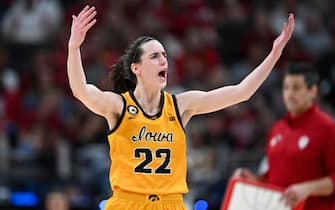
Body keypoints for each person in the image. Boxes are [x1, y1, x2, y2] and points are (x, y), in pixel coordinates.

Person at [67, 5, 294, 210]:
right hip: (127, 202)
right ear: (136, 68)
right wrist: (74, 47)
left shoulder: (180, 105)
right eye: (155, 56)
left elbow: (241, 92)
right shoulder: (119, 105)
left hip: (171, 203)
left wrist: (274, 55)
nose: (164, 60)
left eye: (165, 55)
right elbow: (81, 91)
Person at [234, 64, 335, 210]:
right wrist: (253, 179)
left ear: (312, 91)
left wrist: (307, 189)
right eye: (286, 88)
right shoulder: (277, 129)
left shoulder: (327, 128)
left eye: (296, 87)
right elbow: (273, 177)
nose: (289, 94)